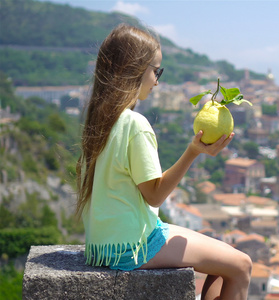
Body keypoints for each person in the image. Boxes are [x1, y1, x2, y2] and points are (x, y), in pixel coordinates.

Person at [75, 23, 252, 300]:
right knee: (241, 265)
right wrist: (193, 151)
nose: (157, 81)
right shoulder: (135, 124)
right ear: (136, 69)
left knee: (222, 261)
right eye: (156, 71)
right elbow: (155, 195)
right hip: (134, 245)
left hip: (102, 246)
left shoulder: (101, 120)